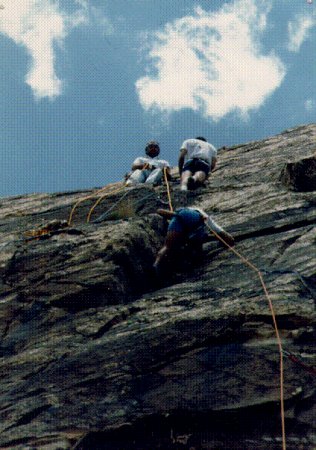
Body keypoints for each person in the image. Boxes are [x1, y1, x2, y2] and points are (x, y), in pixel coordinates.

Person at [153, 207, 234, 274]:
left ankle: (156, 264)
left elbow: (160, 211)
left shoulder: (183, 214)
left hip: (182, 219)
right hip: (192, 221)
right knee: (196, 245)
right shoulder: (208, 222)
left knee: (167, 246)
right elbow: (229, 239)